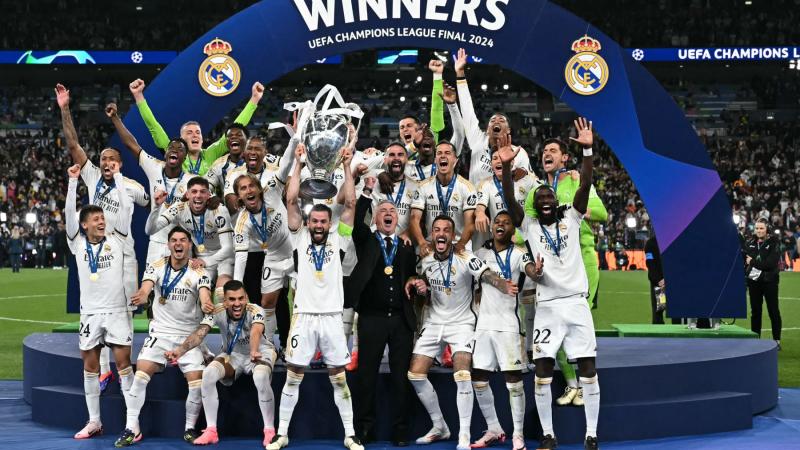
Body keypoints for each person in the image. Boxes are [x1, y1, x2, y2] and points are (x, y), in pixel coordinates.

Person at [499, 117, 600, 450]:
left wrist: (587, 151)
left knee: (588, 368)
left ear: (556, 202)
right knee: (542, 371)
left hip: (576, 303)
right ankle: (547, 435)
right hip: (547, 308)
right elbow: (510, 200)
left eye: (548, 196)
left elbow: (585, 185)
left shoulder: (572, 215)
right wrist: (506, 167)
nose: (544, 199)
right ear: (534, 204)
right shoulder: (529, 226)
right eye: (539, 196)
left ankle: (591, 435)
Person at [267, 142, 362, 450]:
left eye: (323, 222)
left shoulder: (340, 239)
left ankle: (349, 434)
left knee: (339, 378)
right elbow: (291, 199)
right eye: (315, 222)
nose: (319, 226)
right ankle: (282, 433)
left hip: (332, 317)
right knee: (293, 376)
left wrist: (346, 165)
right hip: (304, 317)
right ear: (308, 223)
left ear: (328, 223)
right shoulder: (299, 237)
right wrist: (297, 163)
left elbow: (350, 205)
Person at [58, 88, 150, 390]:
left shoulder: (132, 186)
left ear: (119, 163)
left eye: (111, 159)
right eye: (103, 159)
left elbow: (149, 202)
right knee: (97, 303)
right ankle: (106, 369)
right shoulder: (92, 176)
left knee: (125, 307)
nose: (106, 162)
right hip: (94, 248)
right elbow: (73, 145)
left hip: (123, 252)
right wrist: (65, 108)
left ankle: (124, 362)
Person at [405, 215, 517, 450]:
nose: (441, 234)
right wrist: (418, 284)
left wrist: (502, 284)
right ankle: (440, 426)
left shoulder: (466, 257)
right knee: (415, 375)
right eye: (437, 230)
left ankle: (463, 435)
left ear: (452, 236)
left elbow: (486, 274)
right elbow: (420, 282)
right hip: (434, 322)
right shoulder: (425, 260)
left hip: (462, 324)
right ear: (432, 235)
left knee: (463, 374)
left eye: (446, 230)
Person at [523, 130, 607, 406]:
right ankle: (572, 385)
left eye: (553, 151)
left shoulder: (576, 180)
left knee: (579, 326)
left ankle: (585, 383)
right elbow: (526, 226)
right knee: (552, 329)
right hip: (549, 266)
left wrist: (571, 208)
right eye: (544, 151)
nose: (546, 154)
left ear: (565, 158)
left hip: (581, 258)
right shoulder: (536, 191)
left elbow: (602, 213)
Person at [116, 227, 214, 447]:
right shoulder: (157, 265)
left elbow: (204, 295)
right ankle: (132, 427)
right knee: (140, 375)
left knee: (196, 383)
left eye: (183, 240)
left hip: (187, 336)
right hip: (160, 333)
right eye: (174, 240)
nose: (178, 244)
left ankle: (189, 428)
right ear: (168, 244)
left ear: (189, 245)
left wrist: (207, 302)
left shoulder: (199, 271)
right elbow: (146, 287)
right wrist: (142, 295)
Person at [65, 164, 135, 440]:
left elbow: (126, 208)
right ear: (84, 225)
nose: (101, 221)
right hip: (90, 314)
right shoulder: (77, 244)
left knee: (124, 366)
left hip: (117, 311)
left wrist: (117, 176)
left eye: (102, 217)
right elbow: (69, 216)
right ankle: (94, 421)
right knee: (90, 368)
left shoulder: (117, 240)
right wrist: (73, 182)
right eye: (95, 219)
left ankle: (132, 423)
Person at [348, 181, 417, 446]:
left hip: (400, 320)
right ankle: (365, 428)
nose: (388, 214)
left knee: (401, 378)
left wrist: (418, 281)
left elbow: (412, 275)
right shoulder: (366, 240)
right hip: (371, 319)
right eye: (382, 211)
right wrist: (366, 193)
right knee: (366, 376)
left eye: (392, 211)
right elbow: (357, 222)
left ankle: (401, 429)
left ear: (397, 219)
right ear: (376, 219)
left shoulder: (406, 246)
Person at [167, 280, 277, 446]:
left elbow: (256, 330)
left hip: (261, 351)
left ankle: (269, 430)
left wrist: (254, 350)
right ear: (224, 301)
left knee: (260, 376)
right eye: (232, 299)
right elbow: (200, 333)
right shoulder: (217, 311)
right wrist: (180, 351)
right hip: (233, 355)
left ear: (246, 298)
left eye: (241, 298)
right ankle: (211, 431)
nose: (237, 303)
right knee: (209, 373)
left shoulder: (255, 310)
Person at [471, 211, 543, 450]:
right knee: (478, 378)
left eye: (506, 223)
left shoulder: (519, 254)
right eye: (497, 222)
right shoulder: (480, 254)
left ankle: (518, 435)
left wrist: (536, 271)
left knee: (513, 380)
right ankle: (494, 428)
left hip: (509, 327)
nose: (500, 225)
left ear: (513, 230)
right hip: (483, 326)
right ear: (492, 227)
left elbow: (530, 269)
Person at [107, 102, 190, 264]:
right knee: (153, 280)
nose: (174, 150)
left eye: (180, 149)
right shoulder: (154, 166)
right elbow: (131, 144)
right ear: (165, 153)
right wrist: (115, 118)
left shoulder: (190, 181)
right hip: (157, 242)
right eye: (171, 148)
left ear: (185, 157)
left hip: (182, 242)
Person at [129, 78, 265, 176]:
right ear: (181, 140)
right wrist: (139, 96)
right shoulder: (173, 151)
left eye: (198, 132)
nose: (195, 135)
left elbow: (236, 130)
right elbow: (154, 126)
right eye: (189, 133)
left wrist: (254, 99)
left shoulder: (211, 153)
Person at [145, 176, 233, 304]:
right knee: (197, 295)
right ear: (187, 194)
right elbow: (150, 230)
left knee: (221, 292)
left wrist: (206, 261)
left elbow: (228, 248)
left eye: (202, 192)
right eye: (194, 191)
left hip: (224, 257)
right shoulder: (179, 207)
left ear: (209, 195)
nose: (198, 195)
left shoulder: (219, 210)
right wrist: (156, 207)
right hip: (201, 257)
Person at [231, 172, 294, 345]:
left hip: (295, 252)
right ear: (239, 196)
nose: (249, 190)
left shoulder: (271, 192)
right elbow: (241, 256)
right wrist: (237, 286)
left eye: (251, 186)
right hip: (272, 257)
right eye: (243, 188)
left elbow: (285, 167)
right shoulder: (242, 222)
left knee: (299, 300)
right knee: (266, 302)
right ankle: (269, 345)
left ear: (259, 189)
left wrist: (295, 153)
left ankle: (292, 344)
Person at [452, 48, 531, 186]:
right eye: (492, 120)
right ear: (487, 130)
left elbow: (526, 178)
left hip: (505, 199)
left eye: (501, 120)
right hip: (476, 199)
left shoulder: (518, 152)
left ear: (508, 130)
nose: (496, 121)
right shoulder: (477, 140)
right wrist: (460, 73)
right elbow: (467, 110)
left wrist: (509, 166)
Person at [409, 141, 477, 257]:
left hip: (459, 242)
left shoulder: (467, 188)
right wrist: (422, 243)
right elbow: (414, 219)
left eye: (447, 153)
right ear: (435, 160)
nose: (443, 156)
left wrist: (461, 244)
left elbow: (470, 223)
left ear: (455, 160)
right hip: (432, 243)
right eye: (439, 153)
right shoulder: (423, 186)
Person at [744, 218, 782, 348]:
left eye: (761, 228)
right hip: (754, 281)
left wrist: (753, 262)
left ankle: (776, 340)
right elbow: (746, 263)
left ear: (767, 229)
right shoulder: (750, 243)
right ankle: (756, 340)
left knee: (773, 311)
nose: (759, 230)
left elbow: (770, 264)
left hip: (769, 281)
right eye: (757, 228)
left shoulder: (774, 242)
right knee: (755, 312)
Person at [644, 234, 679, 325]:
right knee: (659, 311)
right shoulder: (651, 243)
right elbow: (650, 263)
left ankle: (677, 333)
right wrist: (660, 280)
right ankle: (658, 333)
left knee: (676, 313)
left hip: (670, 282)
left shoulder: (674, 240)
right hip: (659, 283)